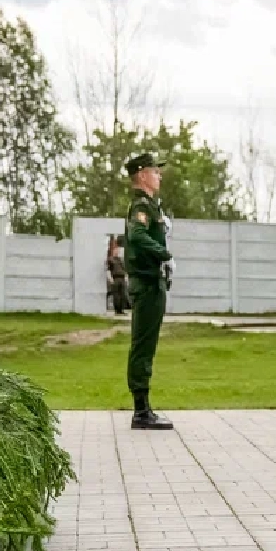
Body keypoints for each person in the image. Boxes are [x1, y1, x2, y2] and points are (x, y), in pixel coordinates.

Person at [123, 152, 175, 431]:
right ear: (142, 175)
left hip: (153, 282)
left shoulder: (151, 206)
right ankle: (141, 411)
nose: (159, 175)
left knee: (146, 345)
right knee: (142, 346)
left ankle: (143, 408)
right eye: (155, 171)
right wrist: (165, 255)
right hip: (146, 283)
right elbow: (138, 236)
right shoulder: (141, 206)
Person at [105, 235, 131, 315]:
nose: (116, 252)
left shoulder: (120, 259)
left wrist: (126, 276)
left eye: (117, 251)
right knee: (116, 295)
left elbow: (124, 269)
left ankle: (121, 310)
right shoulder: (110, 260)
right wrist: (110, 278)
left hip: (122, 278)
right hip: (115, 278)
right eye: (115, 251)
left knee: (123, 294)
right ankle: (117, 310)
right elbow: (108, 270)